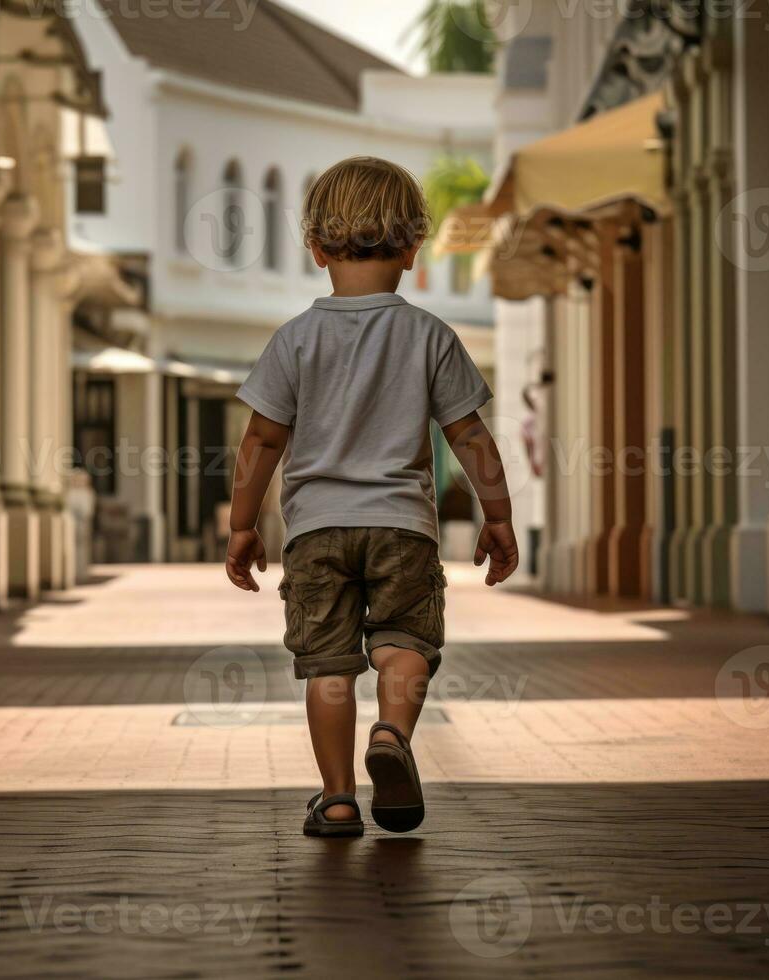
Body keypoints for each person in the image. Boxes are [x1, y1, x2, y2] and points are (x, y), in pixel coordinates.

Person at [224, 156, 518, 837]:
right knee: (404, 642)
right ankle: (391, 732)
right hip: (402, 529)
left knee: (328, 665)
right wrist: (495, 515)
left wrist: (243, 526)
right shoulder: (428, 336)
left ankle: (335, 798)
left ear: (315, 246)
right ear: (414, 248)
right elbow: (470, 436)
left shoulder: (294, 340)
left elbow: (261, 441)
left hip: (316, 531)